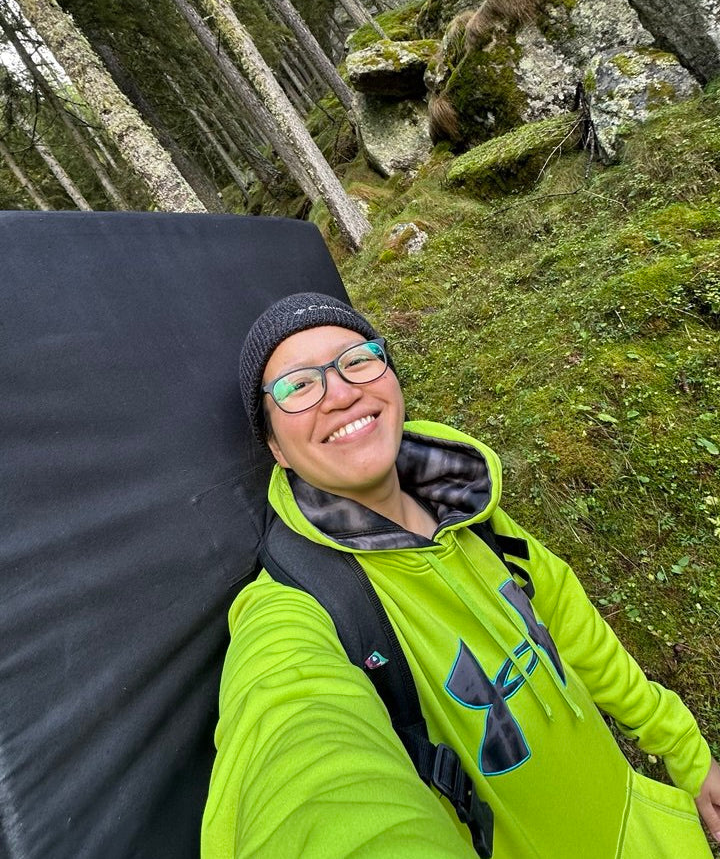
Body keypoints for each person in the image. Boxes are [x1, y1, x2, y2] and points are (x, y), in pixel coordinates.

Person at [201, 292, 720, 859]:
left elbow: (570, 626)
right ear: (275, 446)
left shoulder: (472, 511)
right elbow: (292, 754)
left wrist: (687, 754)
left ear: (392, 380)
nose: (342, 392)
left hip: (645, 827)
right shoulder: (297, 609)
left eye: (357, 359)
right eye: (298, 385)